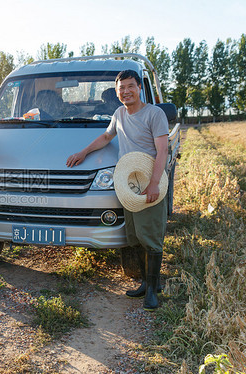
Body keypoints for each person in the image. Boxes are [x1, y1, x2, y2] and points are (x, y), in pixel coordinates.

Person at [66, 70, 169, 311]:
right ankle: (145, 283)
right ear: (117, 92)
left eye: (130, 86)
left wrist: (154, 183)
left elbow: (162, 151)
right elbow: (105, 136)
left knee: (151, 237)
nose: (126, 92)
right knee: (135, 236)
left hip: (148, 178)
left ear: (139, 88)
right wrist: (83, 152)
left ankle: (153, 291)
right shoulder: (119, 113)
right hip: (127, 182)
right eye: (121, 88)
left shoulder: (154, 114)